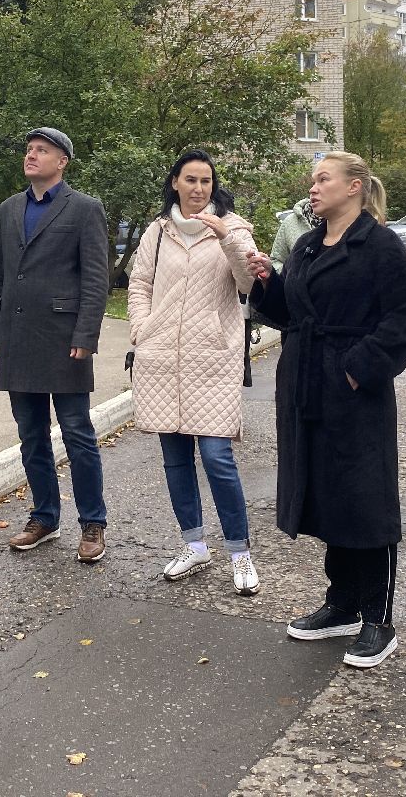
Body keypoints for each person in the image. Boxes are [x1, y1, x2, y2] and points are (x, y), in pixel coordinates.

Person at [246, 152, 406, 669]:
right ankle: (342, 602)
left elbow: (403, 319)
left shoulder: (382, 247)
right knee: (326, 497)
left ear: (355, 187)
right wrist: (269, 282)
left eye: (323, 178)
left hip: (353, 391)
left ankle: (378, 618)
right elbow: (290, 313)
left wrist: (358, 367)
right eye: (313, 179)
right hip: (304, 386)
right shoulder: (305, 244)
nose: (314, 187)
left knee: (365, 500)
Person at [128, 151, 260, 595]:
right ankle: (194, 544)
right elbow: (140, 282)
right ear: (175, 183)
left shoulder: (235, 226)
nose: (199, 188)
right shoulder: (157, 231)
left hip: (212, 357)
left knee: (218, 458)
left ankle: (240, 553)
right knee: (174, 458)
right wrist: (142, 329)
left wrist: (226, 238)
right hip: (161, 355)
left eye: (206, 180)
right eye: (190, 180)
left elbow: (248, 283)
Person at [0, 127, 111, 562]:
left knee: (77, 434)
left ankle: (93, 523)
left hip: (64, 340)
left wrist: (86, 335)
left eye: (42, 150)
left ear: (63, 162)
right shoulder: (9, 209)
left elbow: (96, 278)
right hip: (18, 338)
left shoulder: (85, 209)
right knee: (30, 436)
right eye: (29, 149)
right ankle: (44, 517)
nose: (31, 155)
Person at [270, 190, 319, 273]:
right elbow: (276, 261)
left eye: (323, 180)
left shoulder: (346, 224)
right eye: (314, 182)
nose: (312, 189)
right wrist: (292, 279)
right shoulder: (291, 221)